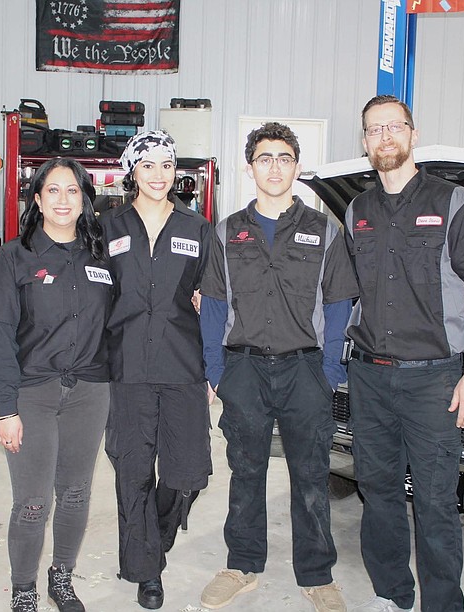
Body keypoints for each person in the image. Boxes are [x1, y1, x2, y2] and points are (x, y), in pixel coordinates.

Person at [345, 95, 464, 612]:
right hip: (369, 376)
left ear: (412, 134)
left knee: (435, 502)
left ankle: (443, 605)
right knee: (378, 491)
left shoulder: (451, 202)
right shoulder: (356, 210)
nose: (384, 137)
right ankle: (392, 594)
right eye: (374, 129)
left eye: (394, 127)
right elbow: (342, 291)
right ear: (365, 141)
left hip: (435, 380)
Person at [198, 122, 359, 612]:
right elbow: (213, 305)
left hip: (305, 371)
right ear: (250, 168)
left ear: (296, 166)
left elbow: (338, 306)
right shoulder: (227, 232)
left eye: (284, 157)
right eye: (264, 157)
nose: (274, 166)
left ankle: (316, 574)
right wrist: (215, 372)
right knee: (244, 470)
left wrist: (329, 371)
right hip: (243, 369)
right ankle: (242, 565)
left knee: (311, 475)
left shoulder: (324, 230)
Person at [0, 157, 113, 612]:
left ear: (84, 200)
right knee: (33, 501)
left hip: (90, 392)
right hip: (32, 394)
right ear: (36, 199)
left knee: (76, 492)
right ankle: (24, 588)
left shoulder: (101, 257)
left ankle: (62, 578)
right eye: (52, 190)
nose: (62, 200)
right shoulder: (13, 258)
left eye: (72, 191)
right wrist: (6, 409)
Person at [100, 130, 213, 610]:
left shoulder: (196, 227)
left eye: (167, 166)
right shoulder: (107, 227)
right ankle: (147, 570)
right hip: (125, 365)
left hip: (182, 363)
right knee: (133, 470)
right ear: (132, 171)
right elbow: (93, 295)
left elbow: (213, 304)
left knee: (187, 472)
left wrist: (213, 369)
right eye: (148, 166)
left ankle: (155, 538)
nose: (159, 175)